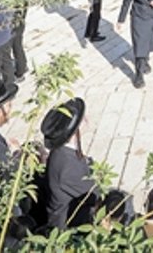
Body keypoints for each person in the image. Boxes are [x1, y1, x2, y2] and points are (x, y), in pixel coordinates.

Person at [41, 96, 99, 230]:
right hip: (69, 225)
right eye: (82, 120)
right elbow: (93, 195)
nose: (87, 119)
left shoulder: (62, 150)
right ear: (74, 133)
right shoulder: (68, 167)